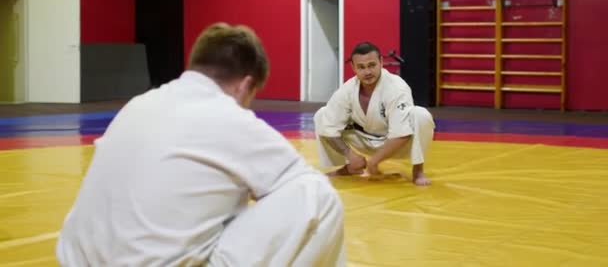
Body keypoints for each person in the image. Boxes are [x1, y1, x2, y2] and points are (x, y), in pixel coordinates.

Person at [56, 23, 346, 266]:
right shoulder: (228, 117)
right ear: (245, 85)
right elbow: (298, 182)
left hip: (80, 260)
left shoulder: (138, 105)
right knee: (317, 195)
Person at [314, 42, 435, 186]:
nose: (367, 72)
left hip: (396, 143)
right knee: (322, 115)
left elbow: (401, 133)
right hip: (363, 140)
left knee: (421, 115)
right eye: (361, 67)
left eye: (372, 65)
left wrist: (375, 161)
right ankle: (350, 167)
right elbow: (329, 127)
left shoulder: (396, 87)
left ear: (381, 62)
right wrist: (349, 154)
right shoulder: (347, 90)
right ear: (353, 68)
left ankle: (418, 170)